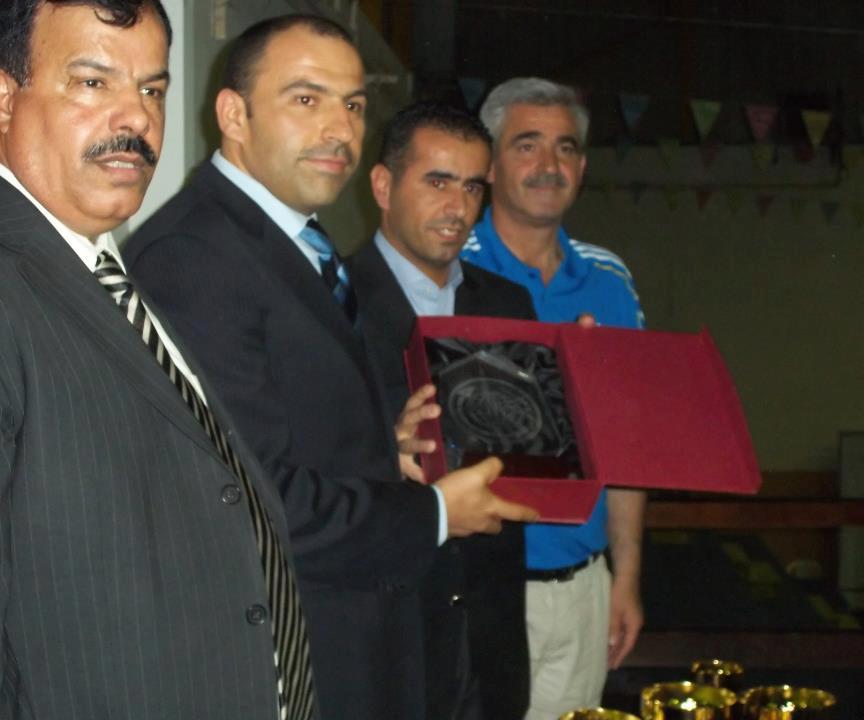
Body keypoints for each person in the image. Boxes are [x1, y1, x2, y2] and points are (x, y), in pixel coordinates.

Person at [124, 15, 538, 720]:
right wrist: (438, 512)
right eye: (306, 99)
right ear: (234, 115)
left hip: (351, 647)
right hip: (289, 666)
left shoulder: (296, 244)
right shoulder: (196, 256)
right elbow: (250, 502)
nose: (340, 129)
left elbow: (291, 433)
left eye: (352, 104)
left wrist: (384, 445)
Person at [0, 2, 310, 718]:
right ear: (4, 98)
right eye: (93, 82)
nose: (137, 118)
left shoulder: (100, 271)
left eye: (151, 88)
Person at [460, 76, 646, 719]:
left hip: (582, 587)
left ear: (582, 168)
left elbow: (627, 446)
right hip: (477, 583)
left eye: (565, 148)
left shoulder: (610, 281)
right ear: (489, 163)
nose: (549, 165)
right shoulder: (450, 267)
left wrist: (626, 576)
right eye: (527, 145)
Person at [347, 101, 536, 720]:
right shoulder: (330, 302)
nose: (458, 207)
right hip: (385, 629)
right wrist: (385, 446)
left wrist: (580, 385)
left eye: (472, 187)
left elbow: (535, 456)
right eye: (437, 182)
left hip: (491, 634)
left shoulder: (510, 305)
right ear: (383, 186)